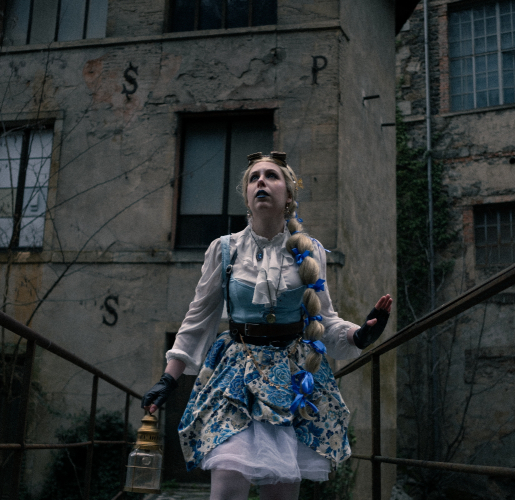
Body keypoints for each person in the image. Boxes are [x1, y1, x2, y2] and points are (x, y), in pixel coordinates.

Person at [142, 151, 392, 500]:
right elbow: (198, 319)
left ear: (288, 196)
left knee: (280, 490)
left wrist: (360, 334)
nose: (261, 181)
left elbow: (324, 319)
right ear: (246, 196)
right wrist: (168, 379)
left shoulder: (311, 252)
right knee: (227, 483)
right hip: (235, 376)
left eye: (271, 176)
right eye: (254, 177)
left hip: (290, 379)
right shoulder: (224, 250)